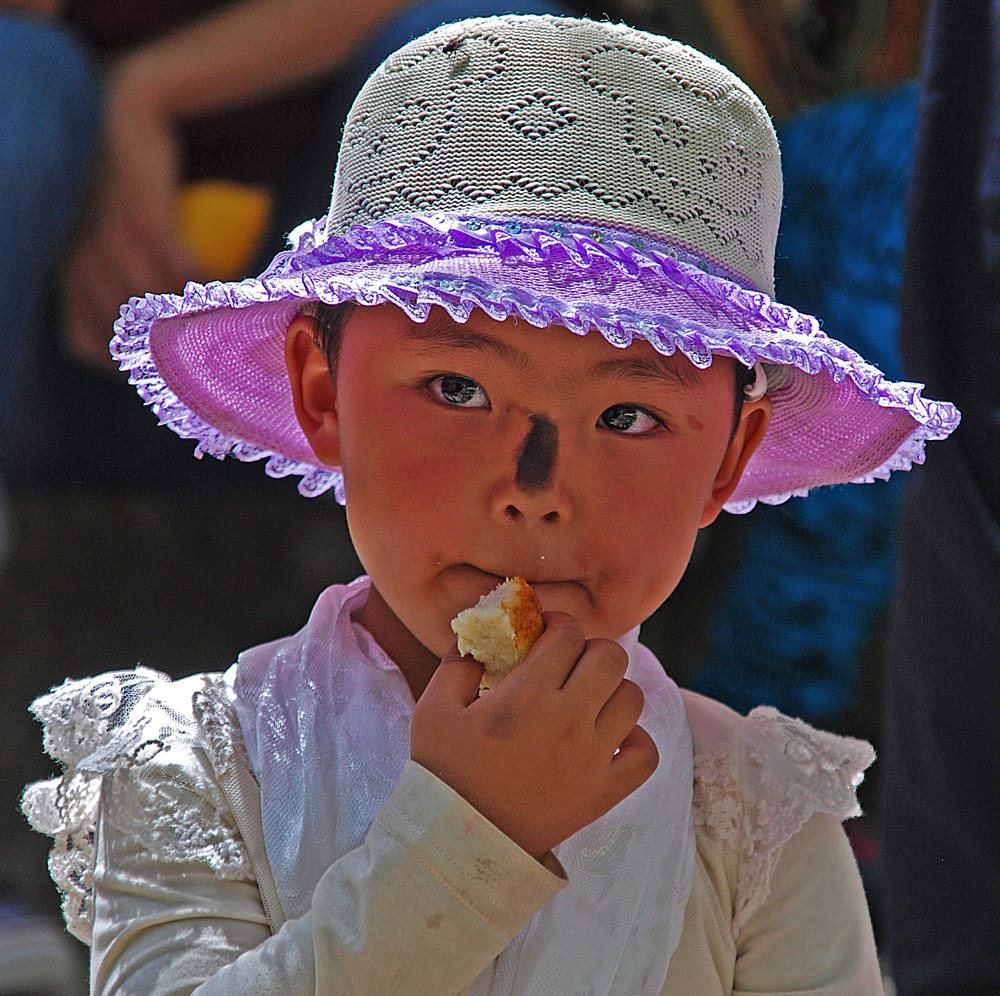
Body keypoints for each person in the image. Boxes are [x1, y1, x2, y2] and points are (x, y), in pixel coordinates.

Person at [22, 15, 959, 995]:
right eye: (457, 391)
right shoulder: (194, 768)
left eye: (629, 415)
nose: (536, 490)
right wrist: (471, 839)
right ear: (321, 390)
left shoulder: (752, 820)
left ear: (731, 455)